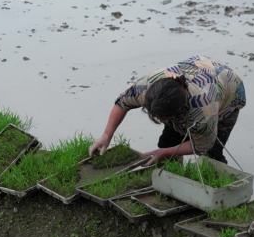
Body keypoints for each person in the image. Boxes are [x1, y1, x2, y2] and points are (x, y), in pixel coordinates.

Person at [89, 55, 246, 165]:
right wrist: (106, 135)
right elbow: (122, 103)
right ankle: (172, 179)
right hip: (199, 68)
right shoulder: (147, 86)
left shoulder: (203, 108)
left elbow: (202, 145)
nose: (161, 121)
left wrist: (164, 152)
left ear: (179, 112)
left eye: (165, 118)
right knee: (167, 144)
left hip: (230, 91)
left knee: (212, 155)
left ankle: (225, 194)